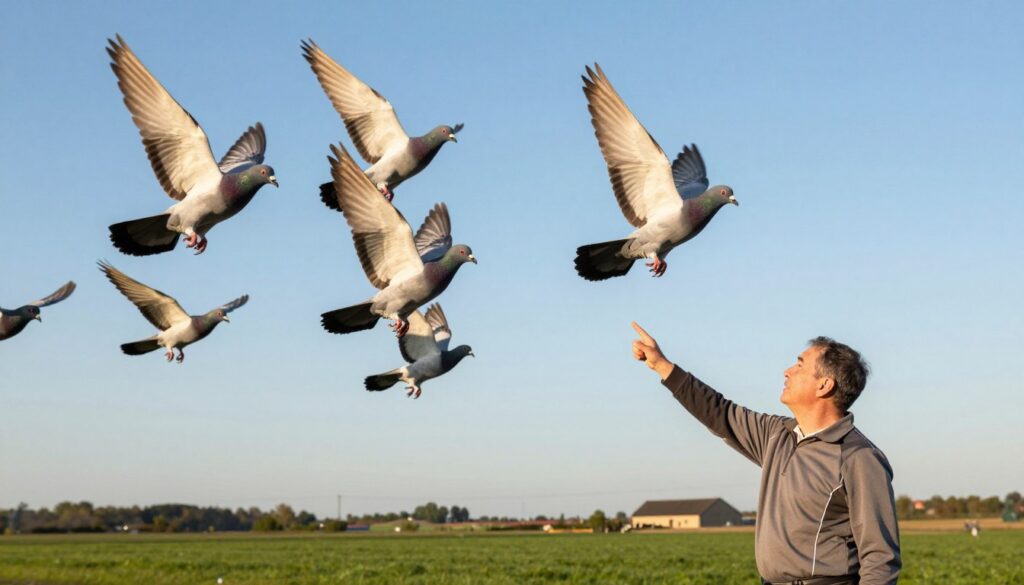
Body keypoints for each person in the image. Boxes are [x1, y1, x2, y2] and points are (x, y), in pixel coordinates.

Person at [630, 322, 900, 585]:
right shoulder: (775, 434)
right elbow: (720, 412)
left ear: (824, 386)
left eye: (800, 365)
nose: (787, 371)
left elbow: (880, 557)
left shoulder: (859, 457)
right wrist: (662, 366)